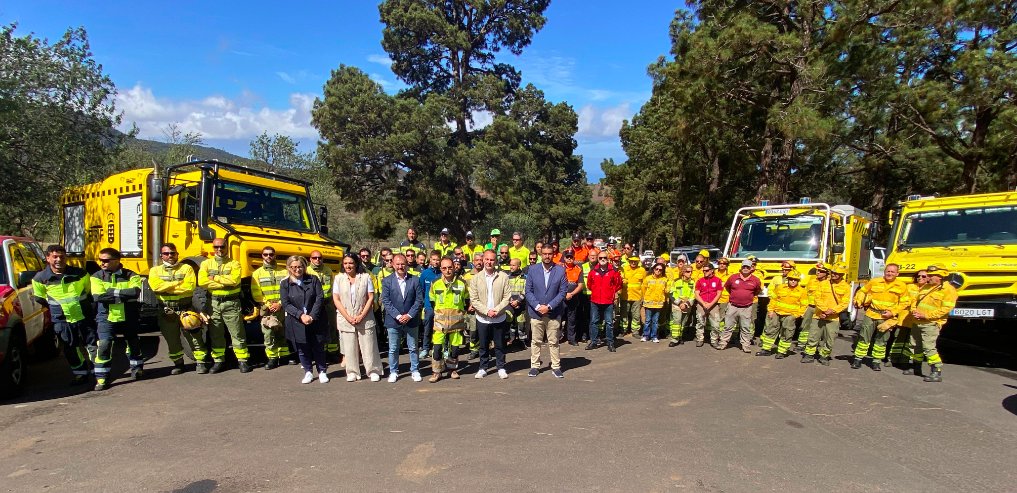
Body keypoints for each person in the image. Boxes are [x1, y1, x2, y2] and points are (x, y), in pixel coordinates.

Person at [32, 245, 95, 385]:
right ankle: (80, 373)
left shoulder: (80, 274)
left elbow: (88, 290)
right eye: (55, 257)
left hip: (83, 315)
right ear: (48, 258)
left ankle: (98, 370)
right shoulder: (40, 279)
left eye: (62, 256)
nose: (59, 259)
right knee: (70, 347)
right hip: (61, 319)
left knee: (92, 344)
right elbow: (40, 298)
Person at [88, 248, 143, 391]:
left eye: (106, 260)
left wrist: (112, 293)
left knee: (133, 343)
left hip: (129, 316)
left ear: (117, 261)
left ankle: (137, 368)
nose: (102, 263)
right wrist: (122, 295)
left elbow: (135, 293)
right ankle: (102, 378)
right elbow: (98, 296)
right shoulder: (96, 276)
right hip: (106, 317)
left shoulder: (132, 275)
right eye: (100, 260)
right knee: (104, 345)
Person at [148, 243, 208, 374]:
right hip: (166, 311)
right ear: (161, 256)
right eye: (166, 253)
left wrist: (167, 287)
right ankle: (179, 364)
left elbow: (189, 287)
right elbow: (156, 287)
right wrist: (177, 284)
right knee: (172, 339)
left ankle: (201, 363)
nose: (170, 256)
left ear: (177, 254)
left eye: (172, 253)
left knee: (195, 337)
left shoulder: (186, 268)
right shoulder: (155, 271)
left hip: (186, 309)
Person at [198, 238, 251, 373]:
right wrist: (224, 282)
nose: (219, 249)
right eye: (216, 247)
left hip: (231, 303)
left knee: (237, 333)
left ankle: (243, 361)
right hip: (213, 303)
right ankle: (219, 361)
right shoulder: (206, 264)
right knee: (216, 334)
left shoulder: (234, 264)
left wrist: (214, 278)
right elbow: (202, 282)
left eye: (222, 247)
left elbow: (234, 280)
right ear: (213, 248)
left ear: (226, 247)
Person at [333, 254, 383, 382]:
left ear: (356, 263)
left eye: (351, 263)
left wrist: (361, 315)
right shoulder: (339, 279)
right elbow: (336, 299)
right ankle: (352, 371)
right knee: (349, 346)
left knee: (369, 345)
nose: (348, 266)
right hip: (346, 317)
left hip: (365, 317)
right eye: (345, 263)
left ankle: (373, 370)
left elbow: (370, 297)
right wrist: (348, 317)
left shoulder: (365, 277)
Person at [851, 263, 909, 371]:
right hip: (871, 314)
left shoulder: (901, 286)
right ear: (884, 271)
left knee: (882, 340)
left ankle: (876, 361)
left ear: (897, 273)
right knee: (864, 337)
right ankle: (858, 359)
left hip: (887, 317)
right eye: (888, 271)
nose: (889, 273)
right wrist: (858, 300)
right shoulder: (874, 281)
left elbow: (905, 303)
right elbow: (862, 291)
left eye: (892, 272)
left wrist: (893, 312)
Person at [279, 256, 328, 384]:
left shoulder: (313, 279)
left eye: (300, 266)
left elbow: (319, 298)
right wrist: (301, 315)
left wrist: (311, 315)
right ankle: (308, 372)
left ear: (305, 267)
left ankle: (322, 371)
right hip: (297, 320)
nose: (297, 269)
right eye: (294, 267)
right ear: (289, 268)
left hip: (315, 319)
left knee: (318, 346)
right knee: (302, 348)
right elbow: (286, 304)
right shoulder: (285, 284)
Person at [906, 264, 958, 382]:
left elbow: (945, 310)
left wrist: (926, 315)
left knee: (929, 348)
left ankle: (936, 371)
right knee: (914, 345)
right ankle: (915, 367)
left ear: (941, 276)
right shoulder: (927, 287)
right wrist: (914, 310)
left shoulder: (949, 290)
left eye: (931, 275)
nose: (928, 277)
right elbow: (916, 300)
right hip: (917, 321)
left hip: (931, 324)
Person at [525, 245, 568, 378]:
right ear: (541, 254)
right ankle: (535, 366)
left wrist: (549, 306)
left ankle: (556, 366)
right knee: (536, 341)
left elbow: (562, 292)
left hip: (553, 313)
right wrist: (538, 306)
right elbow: (528, 291)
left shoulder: (560, 270)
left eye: (550, 254)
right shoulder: (532, 270)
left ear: (553, 254)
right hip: (536, 313)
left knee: (554, 341)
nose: (547, 256)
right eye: (544, 254)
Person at [381, 254, 425, 383]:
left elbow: (419, 300)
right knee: (393, 348)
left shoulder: (415, 280)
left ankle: (415, 370)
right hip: (394, 320)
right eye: (397, 264)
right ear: (393, 265)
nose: (400, 266)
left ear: (406, 264)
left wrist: (409, 315)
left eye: (403, 264)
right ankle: (393, 371)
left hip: (411, 319)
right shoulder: (387, 281)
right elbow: (386, 301)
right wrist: (399, 316)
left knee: (413, 347)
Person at [469, 250, 512, 379]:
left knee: (499, 345)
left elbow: (507, 297)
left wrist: (497, 310)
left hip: (499, 318)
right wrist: (487, 311)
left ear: (496, 261)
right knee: (483, 345)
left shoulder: (503, 277)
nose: (489, 262)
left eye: (492, 260)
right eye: (487, 259)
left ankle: (501, 367)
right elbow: (474, 300)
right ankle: (483, 367)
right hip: (483, 318)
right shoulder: (476, 278)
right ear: (483, 260)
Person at [801, 263, 851, 366]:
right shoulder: (823, 283)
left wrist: (832, 311)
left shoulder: (846, 287)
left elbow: (844, 303)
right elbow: (817, 298)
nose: (834, 274)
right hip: (819, 315)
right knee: (813, 336)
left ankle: (824, 356)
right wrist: (824, 310)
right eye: (833, 272)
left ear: (842, 275)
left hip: (833, 318)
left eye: (837, 273)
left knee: (830, 338)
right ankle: (809, 355)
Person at [252, 246, 290, 369]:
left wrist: (279, 303)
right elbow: (256, 293)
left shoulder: (284, 272)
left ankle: (284, 356)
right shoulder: (257, 273)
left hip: (281, 306)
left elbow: (288, 290)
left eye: (271, 254)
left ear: (275, 255)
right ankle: (272, 358)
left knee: (282, 331)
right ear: (262, 256)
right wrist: (268, 304)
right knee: (268, 334)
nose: (269, 257)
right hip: (267, 309)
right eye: (265, 254)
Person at [757, 269, 808, 358]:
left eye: (795, 280)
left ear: (798, 281)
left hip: (790, 315)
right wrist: (771, 310)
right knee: (770, 331)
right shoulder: (780, 287)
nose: (793, 281)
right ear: (788, 279)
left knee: (787, 333)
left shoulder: (802, 291)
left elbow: (804, 305)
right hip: (776, 312)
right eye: (791, 279)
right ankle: (766, 350)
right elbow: (773, 300)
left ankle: (782, 352)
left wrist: (796, 315)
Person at [722, 260, 763, 352]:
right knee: (728, 326)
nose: (745, 269)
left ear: (751, 268)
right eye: (744, 267)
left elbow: (757, 291)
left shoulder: (755, 280)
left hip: (746, 307)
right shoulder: (733, 277)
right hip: (733, 306)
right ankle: (723, 343)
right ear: (741, 267)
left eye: (747, 267)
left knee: (745, 328)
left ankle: (745, 346)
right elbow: (728, 287)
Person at [586, 250, 622, 351]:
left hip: (608, 302)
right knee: (594, 322)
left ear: (608, 259)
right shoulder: (593, 272)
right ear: (598, 259)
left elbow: (618, 284)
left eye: (605, 258)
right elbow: (589, 284)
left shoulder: (614, 272)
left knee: (609, 322)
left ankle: (610, 343)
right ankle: (593, 342)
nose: (602, 260)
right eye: (601, 258)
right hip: (595, 301)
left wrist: (612, 294)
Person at [307, 250, 340, 364]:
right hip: (314, 304)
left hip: (328, 303)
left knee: (331, 327)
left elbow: (332, 286)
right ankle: (321, 353)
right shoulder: (307, 271)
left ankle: (332, 352)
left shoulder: (328, 270)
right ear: (310, 259)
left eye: (319, 258)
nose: (317, 260)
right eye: (314, 258)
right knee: (317, 329)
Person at [891, 270, 927, 368]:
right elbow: (903, 299)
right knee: (898, 339)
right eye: (918, 276)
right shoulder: (910, 287)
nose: (920, 278)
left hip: (917, 320)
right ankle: (893, 358)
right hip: (904, 318)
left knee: (910, 342)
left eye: (924, 276)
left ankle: (904, 360)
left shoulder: (929, 290)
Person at [417, 250, 441, 360]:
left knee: (440, 329)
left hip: (441, 307)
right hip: (428, 306)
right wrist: (424, 304)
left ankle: (438, 348)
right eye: (434, 259)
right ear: (430, 260)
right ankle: (425, 348)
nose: (436, 262)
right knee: (427, 328)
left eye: (438, 260)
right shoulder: (425, 273)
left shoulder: (442, 273)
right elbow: (421, 289)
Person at [693, 262, 724, 347]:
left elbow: (719, 294)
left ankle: (714, 340)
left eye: (706, 270)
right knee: (700, 323)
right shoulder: (700, 281)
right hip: (701, 304)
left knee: (716, 324)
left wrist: (711, 304)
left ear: (712, 270)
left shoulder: (718, 280)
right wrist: (703, 303)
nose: (704, 272)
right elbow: (696, 294)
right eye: (703, 271)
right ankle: (699, 339)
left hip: (713, 305)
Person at [640, 263, 669, 343]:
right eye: (657, 269)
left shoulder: (664, 280)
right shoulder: (648, 278)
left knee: (655, 321)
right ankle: (646, 335)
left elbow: (666, 290)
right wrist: (644, 299)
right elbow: (643, 290)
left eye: (660, 270)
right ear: (653, 269)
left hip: (658, 304)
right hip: (648, 303)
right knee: (648, 320)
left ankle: (654, 336)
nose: (658, 271)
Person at [668, 264, 695, 347]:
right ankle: (674, 339)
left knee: (683, 322)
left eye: (691, 272)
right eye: (687, 272)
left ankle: (680, 337)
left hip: (687, 305)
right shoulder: (676, 281)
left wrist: (686, 304)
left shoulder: (693, 282)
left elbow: (693, 295)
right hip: (677, 305)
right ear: (683, 272)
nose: (690, 273)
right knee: (677, 321)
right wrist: (680, 303)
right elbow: (672, 293)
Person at [561, 251, 584, 345]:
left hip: (573, 298)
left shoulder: (578, 269)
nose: (569, 259)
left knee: (572, 319)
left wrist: (571, 294)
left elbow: (580, 285)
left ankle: (571, 338)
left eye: (571, 257)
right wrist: (564, 294)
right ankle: (557, 337)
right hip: (561, 297)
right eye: (567, 257)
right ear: (565, 258)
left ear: (574, 258)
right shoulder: (560, 269)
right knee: (559, 318)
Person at [620, 255, 647, 337]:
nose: (633, 262)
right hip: (625, 296)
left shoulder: (642, 270)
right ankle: (623, 330)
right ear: (629, 261)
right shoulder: (624, 269)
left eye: (635, 261)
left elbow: (644, 284)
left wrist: (643, 297)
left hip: (637, 297)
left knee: (636, 315)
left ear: (638, 262)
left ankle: (635, 331)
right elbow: (620, 280)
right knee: (624, 314)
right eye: (632, 261)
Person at [506, 258, 529, 346]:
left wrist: (518, 301)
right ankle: (511, 339)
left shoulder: (525, 277)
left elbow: (526, 290)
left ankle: (522, 341)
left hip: (521, 304)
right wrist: (511, 301)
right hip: (510, 304)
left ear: (519, 266)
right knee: (510, 323)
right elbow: (505, 290)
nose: (511, 267)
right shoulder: (507, 277)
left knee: (521, 323)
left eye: (513, 265)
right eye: (510, 265)